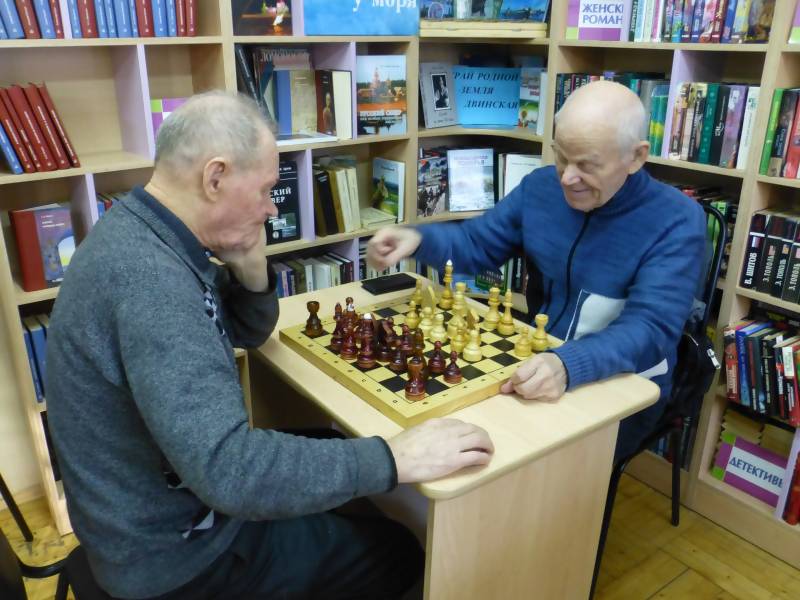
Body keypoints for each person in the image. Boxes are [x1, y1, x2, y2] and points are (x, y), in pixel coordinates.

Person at [45, 91, 493, 600]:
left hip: (157, 514)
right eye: (264, 189)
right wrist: (393, 458)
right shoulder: (151, 282)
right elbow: (230, 470)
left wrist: (251, 266)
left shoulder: (144, 231)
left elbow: (243, 329)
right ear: (215, 178)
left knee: (334, 452)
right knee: (399, 550)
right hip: (178, 559)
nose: (269, 207)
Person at [368, 80, 706, 460]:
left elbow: (650, 329)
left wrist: (568, 364)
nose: (566, 178)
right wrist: (417, 239)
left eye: (586, 165)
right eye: (562, 156)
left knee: (521, 464)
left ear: (636, 157)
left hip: (625, 384)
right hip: (539, 357)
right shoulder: (540, 188)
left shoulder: (678, 220)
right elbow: (477, 244)